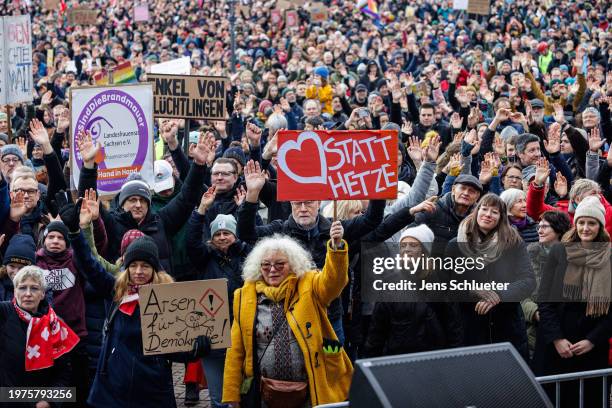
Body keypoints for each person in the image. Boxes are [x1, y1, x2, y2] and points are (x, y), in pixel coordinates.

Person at [63, 199, 212, 408]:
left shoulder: (167, 301)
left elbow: (174, 350)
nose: (139, 272)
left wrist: (195, 350)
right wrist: (75, 233)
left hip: (152, 389)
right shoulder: (117, 291)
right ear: (126, 268)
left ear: (154, 269)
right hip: (114, 388)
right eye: (133, 266)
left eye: (145, 266)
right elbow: (89, 265)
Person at [222, 223, 352, 407]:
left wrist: (336, 248)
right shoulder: (244, 296)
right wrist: (232, 395)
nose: (272, 269)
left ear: (293, 264)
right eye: (266, 265)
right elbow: (235, 350)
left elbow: (334, 283)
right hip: (264, 393)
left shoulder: (309, 284)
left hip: (310, 388)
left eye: (279, 264)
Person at [534, 196, 612, 407]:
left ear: (600, 225)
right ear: (575, 223)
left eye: (592, 223)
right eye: (581, 222)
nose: (585, 228)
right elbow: (545, 299)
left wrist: (593, 340)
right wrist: (557, 339)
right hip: (555, 347)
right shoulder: (559, 251)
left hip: (591, 348)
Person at [446, 193, 535, 358]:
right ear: (476, 211)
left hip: (507, 328)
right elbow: (446, 286)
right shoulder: (455, 245)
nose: (488, 214)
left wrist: (499, 295)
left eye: (494, 212)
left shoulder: (513, 243)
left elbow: (528, 281)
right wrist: (472, 290)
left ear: (501, 217)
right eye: (484, 209)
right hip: (469, 329)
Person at [187, 193, 253, 408]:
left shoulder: (247, 256)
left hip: (243, 336)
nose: (223, 237)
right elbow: (191, 241)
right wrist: (201, 211)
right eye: (218, 234)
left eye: (227, 233)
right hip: (213, 339)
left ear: (235, 235)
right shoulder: (204, 258)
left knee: (245, 395)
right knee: (219, 397)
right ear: (212, 238)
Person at [364, 224, 463, 357]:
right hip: (398, 358)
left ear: (424, 251)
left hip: (434, 358)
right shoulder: (390, 282)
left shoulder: (439, 280)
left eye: (413, 245)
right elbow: (377, 331)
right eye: (403, 246)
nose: (407, 250)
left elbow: (453, 325)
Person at [0, 266, 79, 408]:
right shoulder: (4, 313)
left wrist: (50, 401)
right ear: (14, 291)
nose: (28, 293)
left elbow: (65, 373)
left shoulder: (56, 324)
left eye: (34, 288)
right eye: (22, 288)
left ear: (43, 293)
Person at [521, 211, 572, 356]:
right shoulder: (529, 256)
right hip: (535, 332)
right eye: (539, 226)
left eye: (545, 226)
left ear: (558, 229)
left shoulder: (572, 256)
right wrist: (536, 313)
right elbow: (520, 296)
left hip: (567, 330)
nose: (539, 230)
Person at [0, 234, 37, 301]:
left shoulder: (40, 287)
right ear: (5, 266)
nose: (16, 272)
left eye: (21, 268)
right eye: (12, 266)